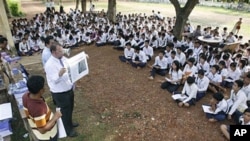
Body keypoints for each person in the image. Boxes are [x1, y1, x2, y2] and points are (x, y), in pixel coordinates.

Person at [44, 42, 79, 137]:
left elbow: (72, 62)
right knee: (64, 111)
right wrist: (59, 74)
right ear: (54, 52)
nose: (63, 52)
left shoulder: (62, 58)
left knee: (70, 108)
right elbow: (54, 80)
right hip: (60, 92)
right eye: (60, 51)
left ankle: (70, 123)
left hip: (68, 88)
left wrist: (83, 58)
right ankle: (68, 130)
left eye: (62, 49)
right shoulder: (49, 64)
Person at [22, 75, 62, 141]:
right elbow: (42, 130)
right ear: (41, 90)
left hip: (36, 127)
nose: (45, 87)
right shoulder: (38, 109)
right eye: (44, 86)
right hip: (48, 136)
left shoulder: (26, 96)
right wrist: (55, 117)